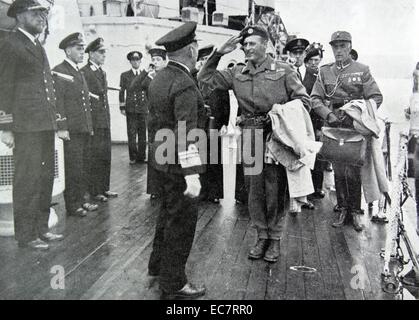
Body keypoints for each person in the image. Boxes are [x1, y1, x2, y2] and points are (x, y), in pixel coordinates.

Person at [198, 25, 311, 263]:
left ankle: (275, 238)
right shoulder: (238, 72)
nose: (246, 48)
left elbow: (304, 101)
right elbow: (205, 79)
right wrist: (219, 53)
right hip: (249, 136)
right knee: (254, 190)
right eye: (244, 45)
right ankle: (262, 235)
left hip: (275, 138)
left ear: (265, 45)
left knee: (276, 189)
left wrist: (280, 115)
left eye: (252, 44)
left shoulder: (284, 70)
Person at [147, 22, 206, 299]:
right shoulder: (184, 84)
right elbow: (185, 133)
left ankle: (158, 268)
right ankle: (174, 282)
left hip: (162, 160)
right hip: (180, 165)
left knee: (166, 217)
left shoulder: (160, 77)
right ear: (192, 50)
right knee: (181, 224)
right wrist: (192, 174)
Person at [0, 0, 65, 250]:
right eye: (36, 12)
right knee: (27, 179)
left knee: (44, 177)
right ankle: (26, 236)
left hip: (43, 122)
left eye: (43, 13)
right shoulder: (10, 44)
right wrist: (5, 126)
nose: (42, 17)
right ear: (19, 15)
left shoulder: (36, 44)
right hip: (25, 125)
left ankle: (40, 228)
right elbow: (4, 87)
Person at [311, 31, 383, 232]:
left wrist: (357, 113)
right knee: (339, 167)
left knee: (354, 168)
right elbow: (314, 98)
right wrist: (328, 115)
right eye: (335, 46)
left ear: (350, 47)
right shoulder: (325, 72)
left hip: (354, 127)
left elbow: (376, 97)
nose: (339, 50)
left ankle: (355, 211)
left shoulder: (362, 70)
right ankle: (342, 208)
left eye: (343, 46)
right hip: (334, 125)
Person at [52, 32, 98, 218]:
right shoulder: (60, 70)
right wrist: (62, 126)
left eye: (83, 49)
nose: (82, 53)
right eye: (79, 49)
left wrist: (89, 126)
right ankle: (73, 205)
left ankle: (82, 200)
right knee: (72, 167)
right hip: (71, 129)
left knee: (82, 166)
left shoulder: (78, 71)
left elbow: (84, 102)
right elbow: (58, 101)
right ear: (68, 50)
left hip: (83, 128)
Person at [81, 38, 118, 203]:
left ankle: (104, 187)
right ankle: (94, 190)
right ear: (91, 54)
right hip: (94, 122)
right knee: (94, 156)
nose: (104, 56)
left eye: (105, 52)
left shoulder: (102, 72)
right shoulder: (84, 72)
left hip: (104, 120)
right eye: (100, 52)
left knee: (105, 154)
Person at [130, 47, 168, 200]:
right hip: (153, 122)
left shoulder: (169, 77)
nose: (155, 62)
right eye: (153, 60)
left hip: (167, 121)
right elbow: (133, 87)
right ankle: (154, 189)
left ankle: (166, 187)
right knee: (153, 155)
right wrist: (145, 71)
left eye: (158, 59)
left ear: (165, 61)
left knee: (166, 154)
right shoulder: (149, 78)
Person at [195, 44, 229, 203]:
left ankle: (215, 193)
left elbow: (225, 103)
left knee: (214, 159)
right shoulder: (195, 78)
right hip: (200, 125)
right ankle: (202, 191)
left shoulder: (219, 78)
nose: (203, 63)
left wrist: (224, 123)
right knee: (201, 158)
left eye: (206, 60)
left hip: (215, 124)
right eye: (201, 60)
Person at [303, 42, 328, 201]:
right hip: (306, 120)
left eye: (316, 60)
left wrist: (321, 126)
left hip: (318, 121)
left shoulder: (323, 77)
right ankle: (306, 188)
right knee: (306, 155)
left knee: (318, 156)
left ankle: (317, 187)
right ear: (307, 61)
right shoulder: (302, 77)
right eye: (311, 60)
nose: (313, 63)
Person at [119, 51, 148, 165]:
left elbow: (148, 90)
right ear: (130, 62)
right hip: (131, 109)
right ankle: (133, 157)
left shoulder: (145, 74)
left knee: (142, 134)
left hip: (143, 108)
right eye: (133, 60)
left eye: (137, 60)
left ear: (140, 61)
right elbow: (122, 92)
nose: (135, 62)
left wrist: (149, 105)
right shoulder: (125, 75)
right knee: (131, 134)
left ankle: (142, 156)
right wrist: (122, 107)